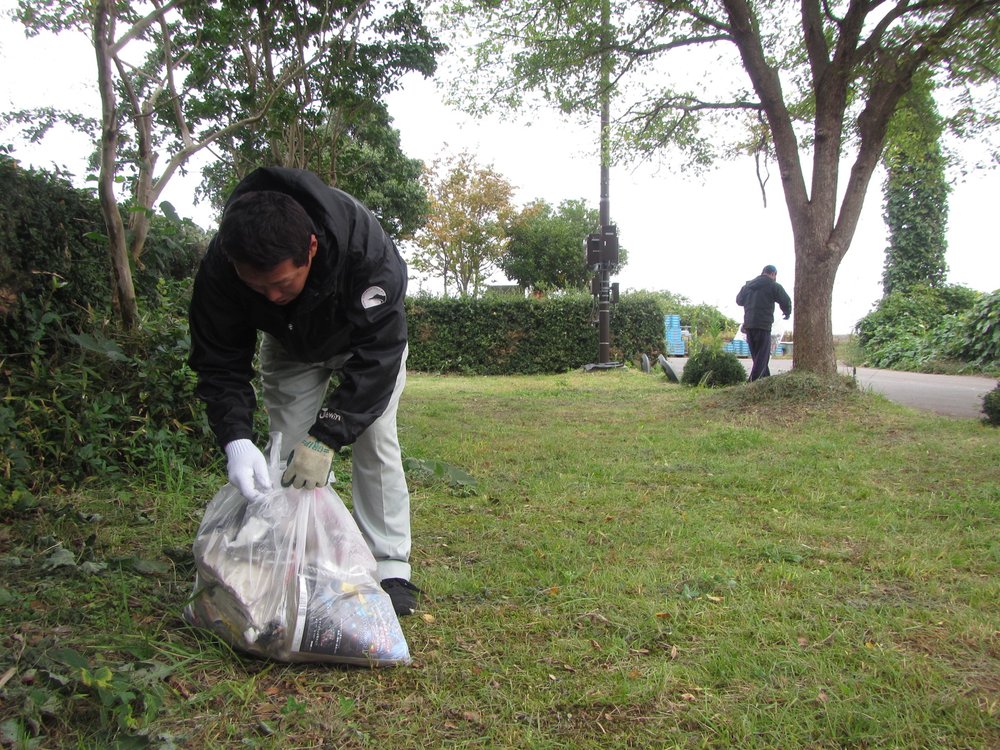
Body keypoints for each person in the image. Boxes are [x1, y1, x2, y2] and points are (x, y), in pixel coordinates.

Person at [188, 166, 420, 616]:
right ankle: (310, 561)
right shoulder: (222, 265)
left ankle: (390, 566)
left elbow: (379, 356)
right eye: (257, 287)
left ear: (311, 247)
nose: (271, 296)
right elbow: (218, 360)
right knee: (291, 453)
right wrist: (235, 438)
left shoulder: (366, 251)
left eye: (281, 283)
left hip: (363, 343)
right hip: (290, 345)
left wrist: (329, 435)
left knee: (375, 439)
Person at [736, 264, 792, 382]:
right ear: (773, 274)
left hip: (749, 326)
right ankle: (753, 383)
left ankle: (766, 381)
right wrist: (787, 312)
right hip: (763, 326)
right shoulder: (773, 285)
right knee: (762, 357)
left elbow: (739, 300)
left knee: (758, 357)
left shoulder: (748, 286)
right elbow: (786, 300)